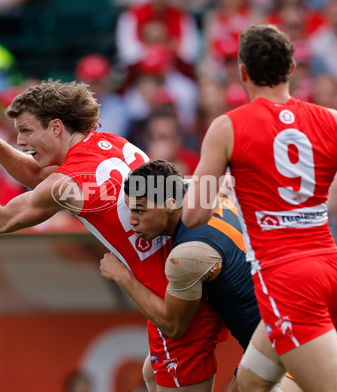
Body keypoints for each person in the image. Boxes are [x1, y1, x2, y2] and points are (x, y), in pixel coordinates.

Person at [0, 80, 224, 390]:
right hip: (190, 272)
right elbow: (39, 173)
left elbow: (1, 220)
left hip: (172, 295)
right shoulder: (110, 141)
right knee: (150, 376)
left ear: (55, 127)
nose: (20, 140)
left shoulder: (69, 183)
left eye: (26, 131)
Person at [182, 24, 337, 392]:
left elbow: (193, 216)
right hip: (331, 273)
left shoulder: (227, 128)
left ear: (243, 72)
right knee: (247, 386)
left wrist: (217, 185)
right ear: (292, 68)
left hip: (286, 282)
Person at [100, 159, 301, 392]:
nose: (132, 220)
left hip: (287, 349)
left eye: (140, 210)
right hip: (282, 331)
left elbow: (174, 326)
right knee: (153, 373)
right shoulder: (198, 191)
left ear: (171, 203)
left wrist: (123, 277)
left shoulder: (188, 254)